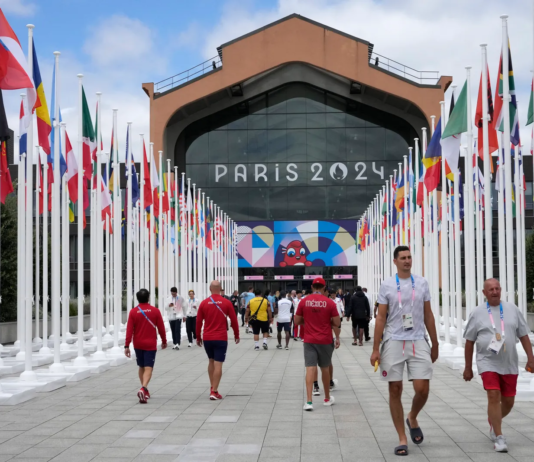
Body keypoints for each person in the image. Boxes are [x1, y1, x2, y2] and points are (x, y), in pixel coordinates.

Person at [370, 245, 439, 457]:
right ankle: (402, 437)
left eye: (409, 257)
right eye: (403, 258)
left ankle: (413, 416)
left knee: (422, 388)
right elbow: (381, 317)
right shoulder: (388, 285)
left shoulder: (422, 282)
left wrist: (435, 343)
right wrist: (375, 348)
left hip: (418, 339)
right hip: (393, 340)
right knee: (395, 389)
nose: (407, 261)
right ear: (395, 261)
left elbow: (428, 315)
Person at [463, 278, 534, 453]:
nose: (494, 292)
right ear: (484, 293)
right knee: (493, 395)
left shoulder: (512, 310)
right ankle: (499, 436)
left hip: (509, 362)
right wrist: (467, 367)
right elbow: (469, 342)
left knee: (508, 401)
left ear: (501, 290)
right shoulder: (477, 313)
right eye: (491, 289)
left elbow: (524, 335)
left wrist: (531, 359)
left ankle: (494, 420)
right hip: (487, 362)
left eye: (497, 288)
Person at [295, 277, 340, 411]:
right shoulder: (330, 303)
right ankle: (326, 398)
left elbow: (297, 321)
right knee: (325, 368)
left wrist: (308, 322)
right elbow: (337, 323)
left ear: (312, 287)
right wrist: (326, 323)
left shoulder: (304, 301)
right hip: (325, 339)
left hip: (309, 339)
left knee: (310, 368)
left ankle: (309, 401)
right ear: (324, 288)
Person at [196, 280, 240, 400]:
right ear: (220, 289)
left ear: (210, 288)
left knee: (211, 361)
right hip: (220, 337)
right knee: (218, 364)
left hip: (207, 337)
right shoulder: (226, 302)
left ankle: (212, 387)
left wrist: (198, 337)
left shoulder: (204, 303)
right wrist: (236, 334)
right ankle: (214, 391)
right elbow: (234, 320)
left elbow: (199, 321)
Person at [124, 289, 167, 403]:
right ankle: (143, 388)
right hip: (150, 343)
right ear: (148, 297)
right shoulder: (155, 311)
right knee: (149, 367)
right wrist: (164, 340)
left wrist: (126, 345)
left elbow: (129, 330)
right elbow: (161, 328)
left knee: (141, 366)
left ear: (137, 298)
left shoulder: (133, 312)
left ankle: (145, 389)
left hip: (137, 343)